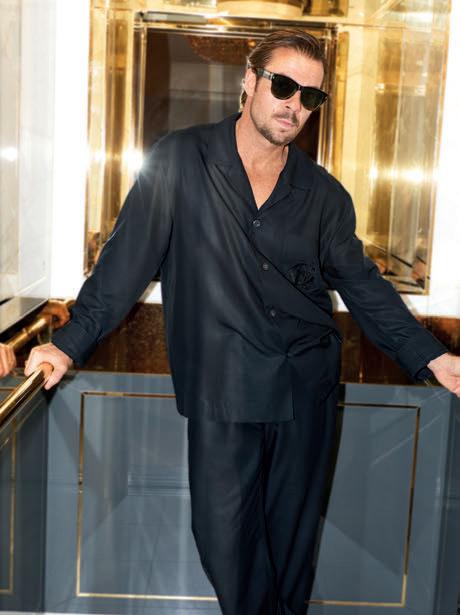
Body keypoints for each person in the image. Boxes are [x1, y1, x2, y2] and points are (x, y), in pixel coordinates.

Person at [24, 29, 460, 615]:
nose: (294, 105)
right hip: (223, 390)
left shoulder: (324, 196)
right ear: (250, 82)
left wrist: (432, 356)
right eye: (283, 86)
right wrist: (66, 344)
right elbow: (122, 269)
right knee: (225, 542)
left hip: (304, 390)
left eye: (310, 97)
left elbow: (362, 285)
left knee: (290, 552)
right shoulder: (180, 160)